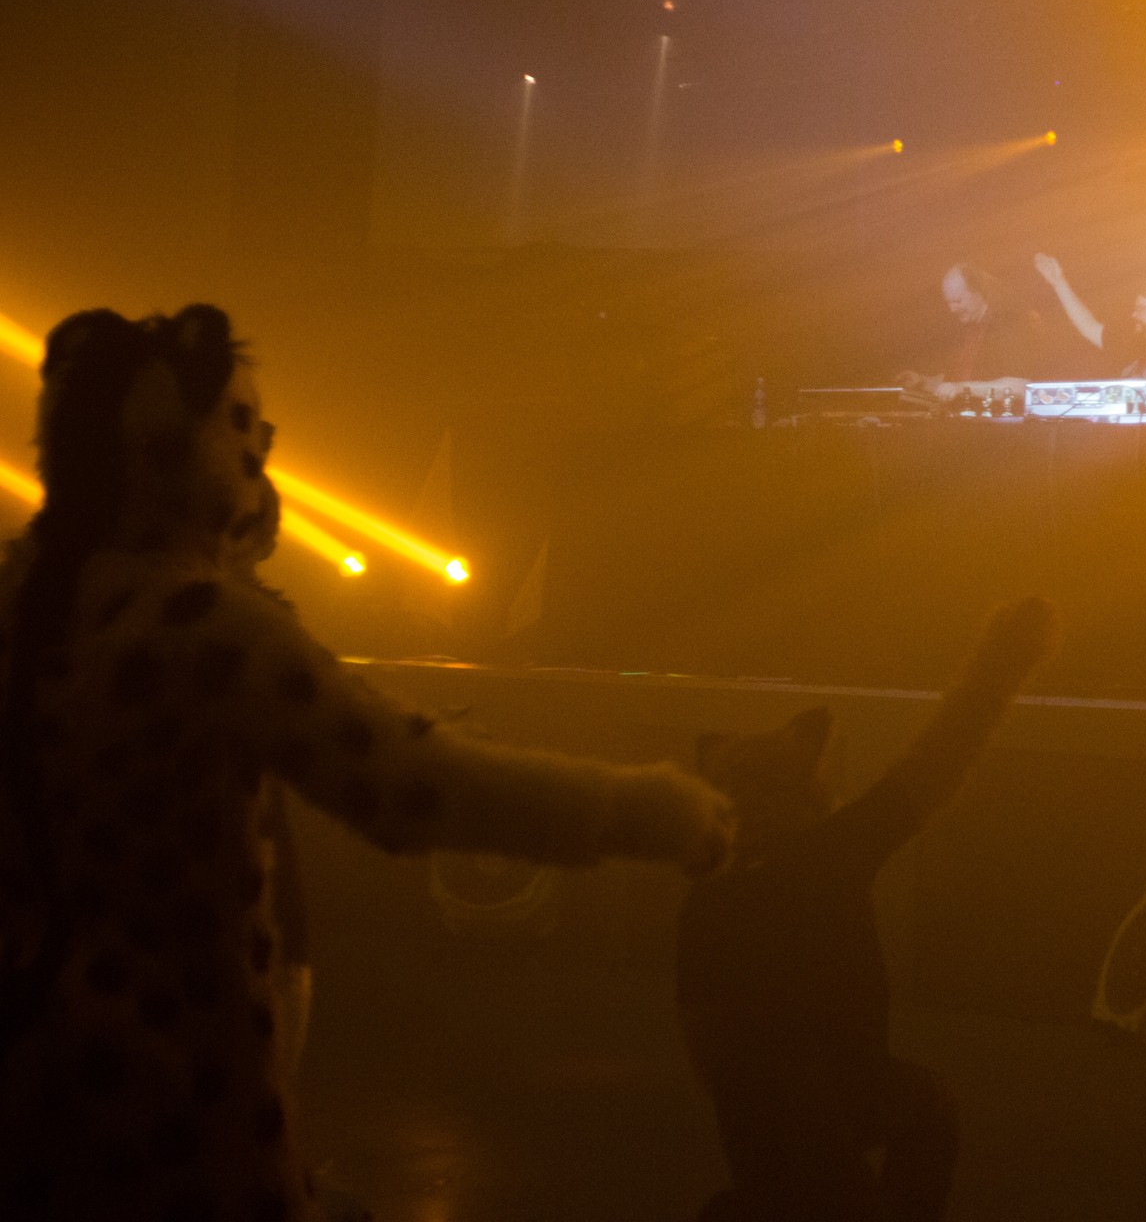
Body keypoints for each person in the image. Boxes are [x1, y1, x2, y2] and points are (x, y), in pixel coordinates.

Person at [0, 305, 736, 1220]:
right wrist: (638, 811)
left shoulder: (22, 599)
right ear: (178, 454)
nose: (260, 458)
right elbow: (409, 787)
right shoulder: (208, 628)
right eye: (245, 432)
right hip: (175, 1093)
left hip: (28, 1076)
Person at [677, 597, 1059, 1222]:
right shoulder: (832, 854)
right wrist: (1003, 660)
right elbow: (942, 756)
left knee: (913, 1115)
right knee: (925, 1111)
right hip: (830, 1096)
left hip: (758, 1112)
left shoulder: (708, 898)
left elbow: (702, 1037)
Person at [1033, 252, 1146, 398]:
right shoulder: (1128, 344)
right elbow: (1087, 325)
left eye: (1141, 308)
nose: (1134, 314)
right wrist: (1059, 283)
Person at [896, 264, 1042, 405]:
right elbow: (956, 380)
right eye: (949, 302)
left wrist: (961, 389)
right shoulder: (964, 329)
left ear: (979, 293)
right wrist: (923, 382)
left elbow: (1021, 386)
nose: (952, 309)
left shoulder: (1009, 324)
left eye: (958, 301)